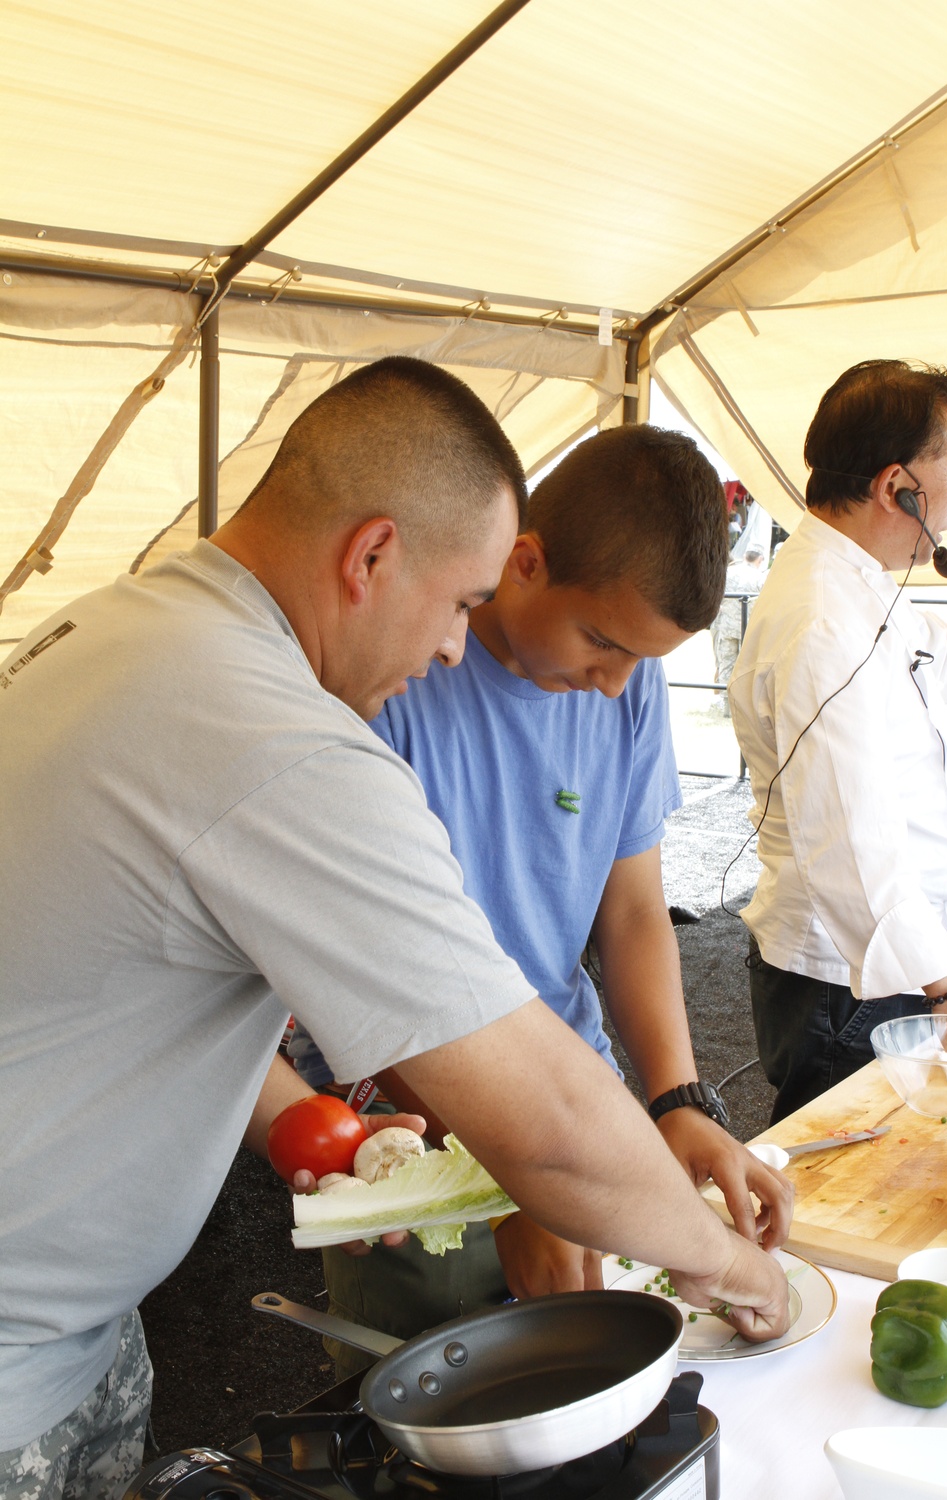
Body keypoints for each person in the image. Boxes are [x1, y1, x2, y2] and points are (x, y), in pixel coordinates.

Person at [0, 358, 790, 1499]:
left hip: (73, 1322)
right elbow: (551, 1121)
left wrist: (297, 1125)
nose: (456, 649)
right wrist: (725, 1265)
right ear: (371, 556)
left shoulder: (126, 624)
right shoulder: (271, 734)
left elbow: (131, 984)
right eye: (463, 603)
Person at [290, 425, 794, 1376]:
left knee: (627, 1379)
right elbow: (373, 984)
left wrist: (676, 1099)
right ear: (522, 562)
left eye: (643, 660)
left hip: (573, 1094)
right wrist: (508, 1174)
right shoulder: (386, 677)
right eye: (602, 642)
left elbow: (635, 911)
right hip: (421, 1122)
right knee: (430, 1385)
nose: (614, 687)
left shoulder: (625, 687)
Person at [729, 359, 947, 1122]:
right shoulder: (821, 618)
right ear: (896, 488)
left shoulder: (853, 578)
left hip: (882, 962)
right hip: (851, 982)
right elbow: (851, 845)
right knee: (839, 1193)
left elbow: (937, 653)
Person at [710, 543, 767, 715]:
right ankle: (742, 710)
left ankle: (726, 708)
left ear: (745, 556)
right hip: (747, 630)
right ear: (760, 559)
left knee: (726, 665)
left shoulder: (729, 573)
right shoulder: (759, 577)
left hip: (726, 627)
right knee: (746, 669)